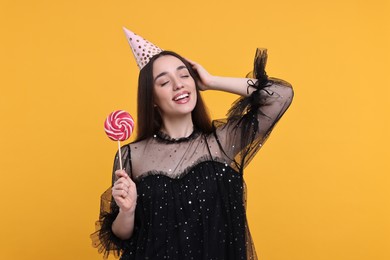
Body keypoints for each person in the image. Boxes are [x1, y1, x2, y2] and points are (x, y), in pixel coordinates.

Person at [91, 28, 294, 260]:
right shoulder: (132, 155)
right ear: (152, 99)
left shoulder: (222, 142)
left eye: (184, 75)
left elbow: (280, 95)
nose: (179, 85)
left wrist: (211, 81)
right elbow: (120, 236)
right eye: (165, 82)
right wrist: (127, 210)